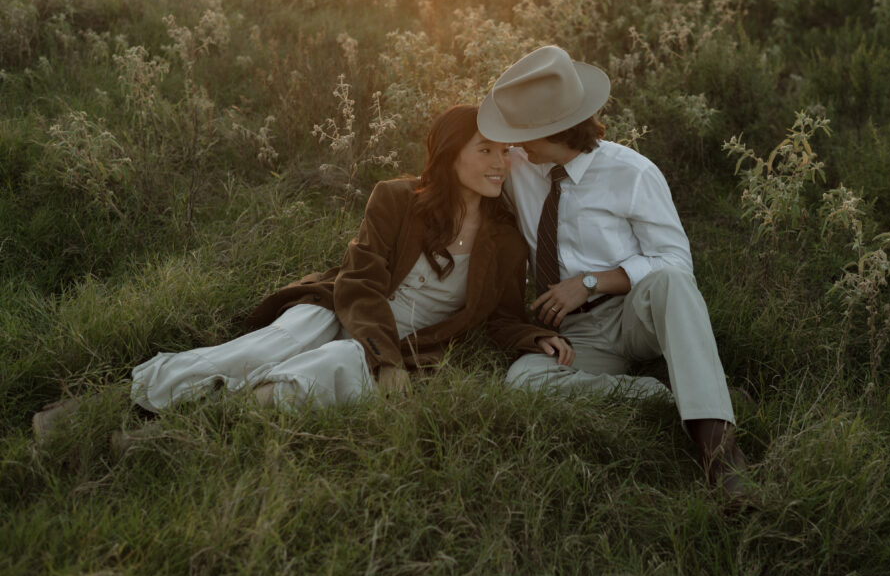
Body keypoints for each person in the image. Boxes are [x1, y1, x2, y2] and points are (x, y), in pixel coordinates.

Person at [33, 105, 573, 435]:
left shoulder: (506, 240)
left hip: (406, 346)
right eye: (485, 150)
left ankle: (166, 436)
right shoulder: (395, 198)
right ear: (451, 155)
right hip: (341, 310)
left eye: (505, 152)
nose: (500, 164)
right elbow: (359, 280)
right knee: (260, 351)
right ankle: (96, 407)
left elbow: (499, 317)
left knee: (325, 368)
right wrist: (383, 359)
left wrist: (533, 336)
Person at [476, 46, 748, 495]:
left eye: (523, 135)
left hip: (634, 315)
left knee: (671, 282)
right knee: (522, 382)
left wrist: (589, 283)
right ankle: (675, 394)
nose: (514, 146)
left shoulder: (632, 173)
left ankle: (721, 455)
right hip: (577, 335)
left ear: (555, 131)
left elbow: (676, 260)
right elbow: (467, 159)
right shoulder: (519, 167)